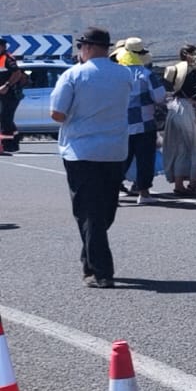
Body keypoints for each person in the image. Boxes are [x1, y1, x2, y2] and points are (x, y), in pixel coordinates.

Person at [49, 28, 134, 288]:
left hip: (81, 151)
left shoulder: (73, 75)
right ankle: (92, 259)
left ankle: (100, 270)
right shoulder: (124, 74)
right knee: (105, 210)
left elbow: (57, 114)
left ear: (85, 48)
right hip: (115, 150)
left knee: (89, 212)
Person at [115, 38, 165, 205]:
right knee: (145, 160)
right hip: (145, 123)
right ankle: (143, 193)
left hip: (121, 124)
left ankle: (112, 191)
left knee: (121, 159)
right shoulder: (146, 74)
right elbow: (159, 96)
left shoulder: (118, 73)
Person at [162, 45, 196, 196]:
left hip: (174, 107)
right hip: (189, 109)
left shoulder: (174, 70)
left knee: (181, 148)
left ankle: (179, 185)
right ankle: (193, 184)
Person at [0, 37, 24, 154]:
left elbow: (17, 73)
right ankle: (14, 142)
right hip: (4, 94)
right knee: (6, 118)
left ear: (3, 47)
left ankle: (7, 145)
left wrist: (7, 85)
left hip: (11, 94)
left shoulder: (7, 59)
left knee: (5, 118)